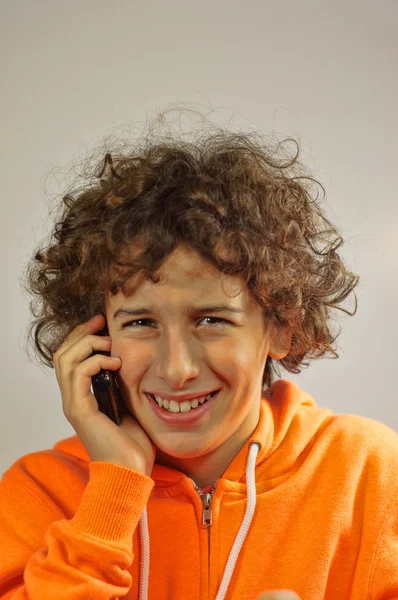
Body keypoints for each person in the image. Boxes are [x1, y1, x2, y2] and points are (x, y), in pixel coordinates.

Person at [1, 109, 397, 600]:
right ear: (95, 339)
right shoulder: (39, 492)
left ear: (280, 326)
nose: (176, 369)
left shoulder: (373, 474)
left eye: (212, 320)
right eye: (141, 323)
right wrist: (113, 492)